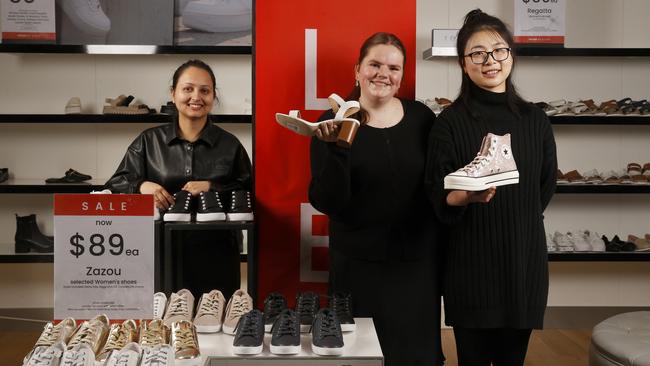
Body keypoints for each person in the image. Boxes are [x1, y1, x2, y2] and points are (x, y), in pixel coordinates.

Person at [425, 9, 557, 366]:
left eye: (499, 50)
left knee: (513, 360)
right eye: (477, 53)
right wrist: (464, 198)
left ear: (511, 55)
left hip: (523, 263)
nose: (490, 61)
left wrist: (516, 220)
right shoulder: (448, 124)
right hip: (471, 266)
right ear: (463, 64)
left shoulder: (535, 120)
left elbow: (543, 188)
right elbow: (437, 196)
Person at [309, 32, 443, 366]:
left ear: (402, 76)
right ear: (357, 70)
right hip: (357, 265)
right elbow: (328, 201)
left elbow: (434, 186)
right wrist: (339, 146)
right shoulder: (330, 123)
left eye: (393, 68)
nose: (384, 73)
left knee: (417, 356)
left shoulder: (422, 118)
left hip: (416, 264)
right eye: (374, 64)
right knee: (361, 357)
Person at [105, 59, 252, 300]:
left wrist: (212, 187)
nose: (196, 97)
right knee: (161, 325)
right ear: (173, 94)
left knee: (214, 324)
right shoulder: (148, 142)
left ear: (214, 97)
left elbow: (249, 190)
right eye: (188, 89)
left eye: (205, 91)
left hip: (217, 252)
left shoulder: (230, 145)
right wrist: (142, 186)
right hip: (159, 250)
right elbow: (113, 185)